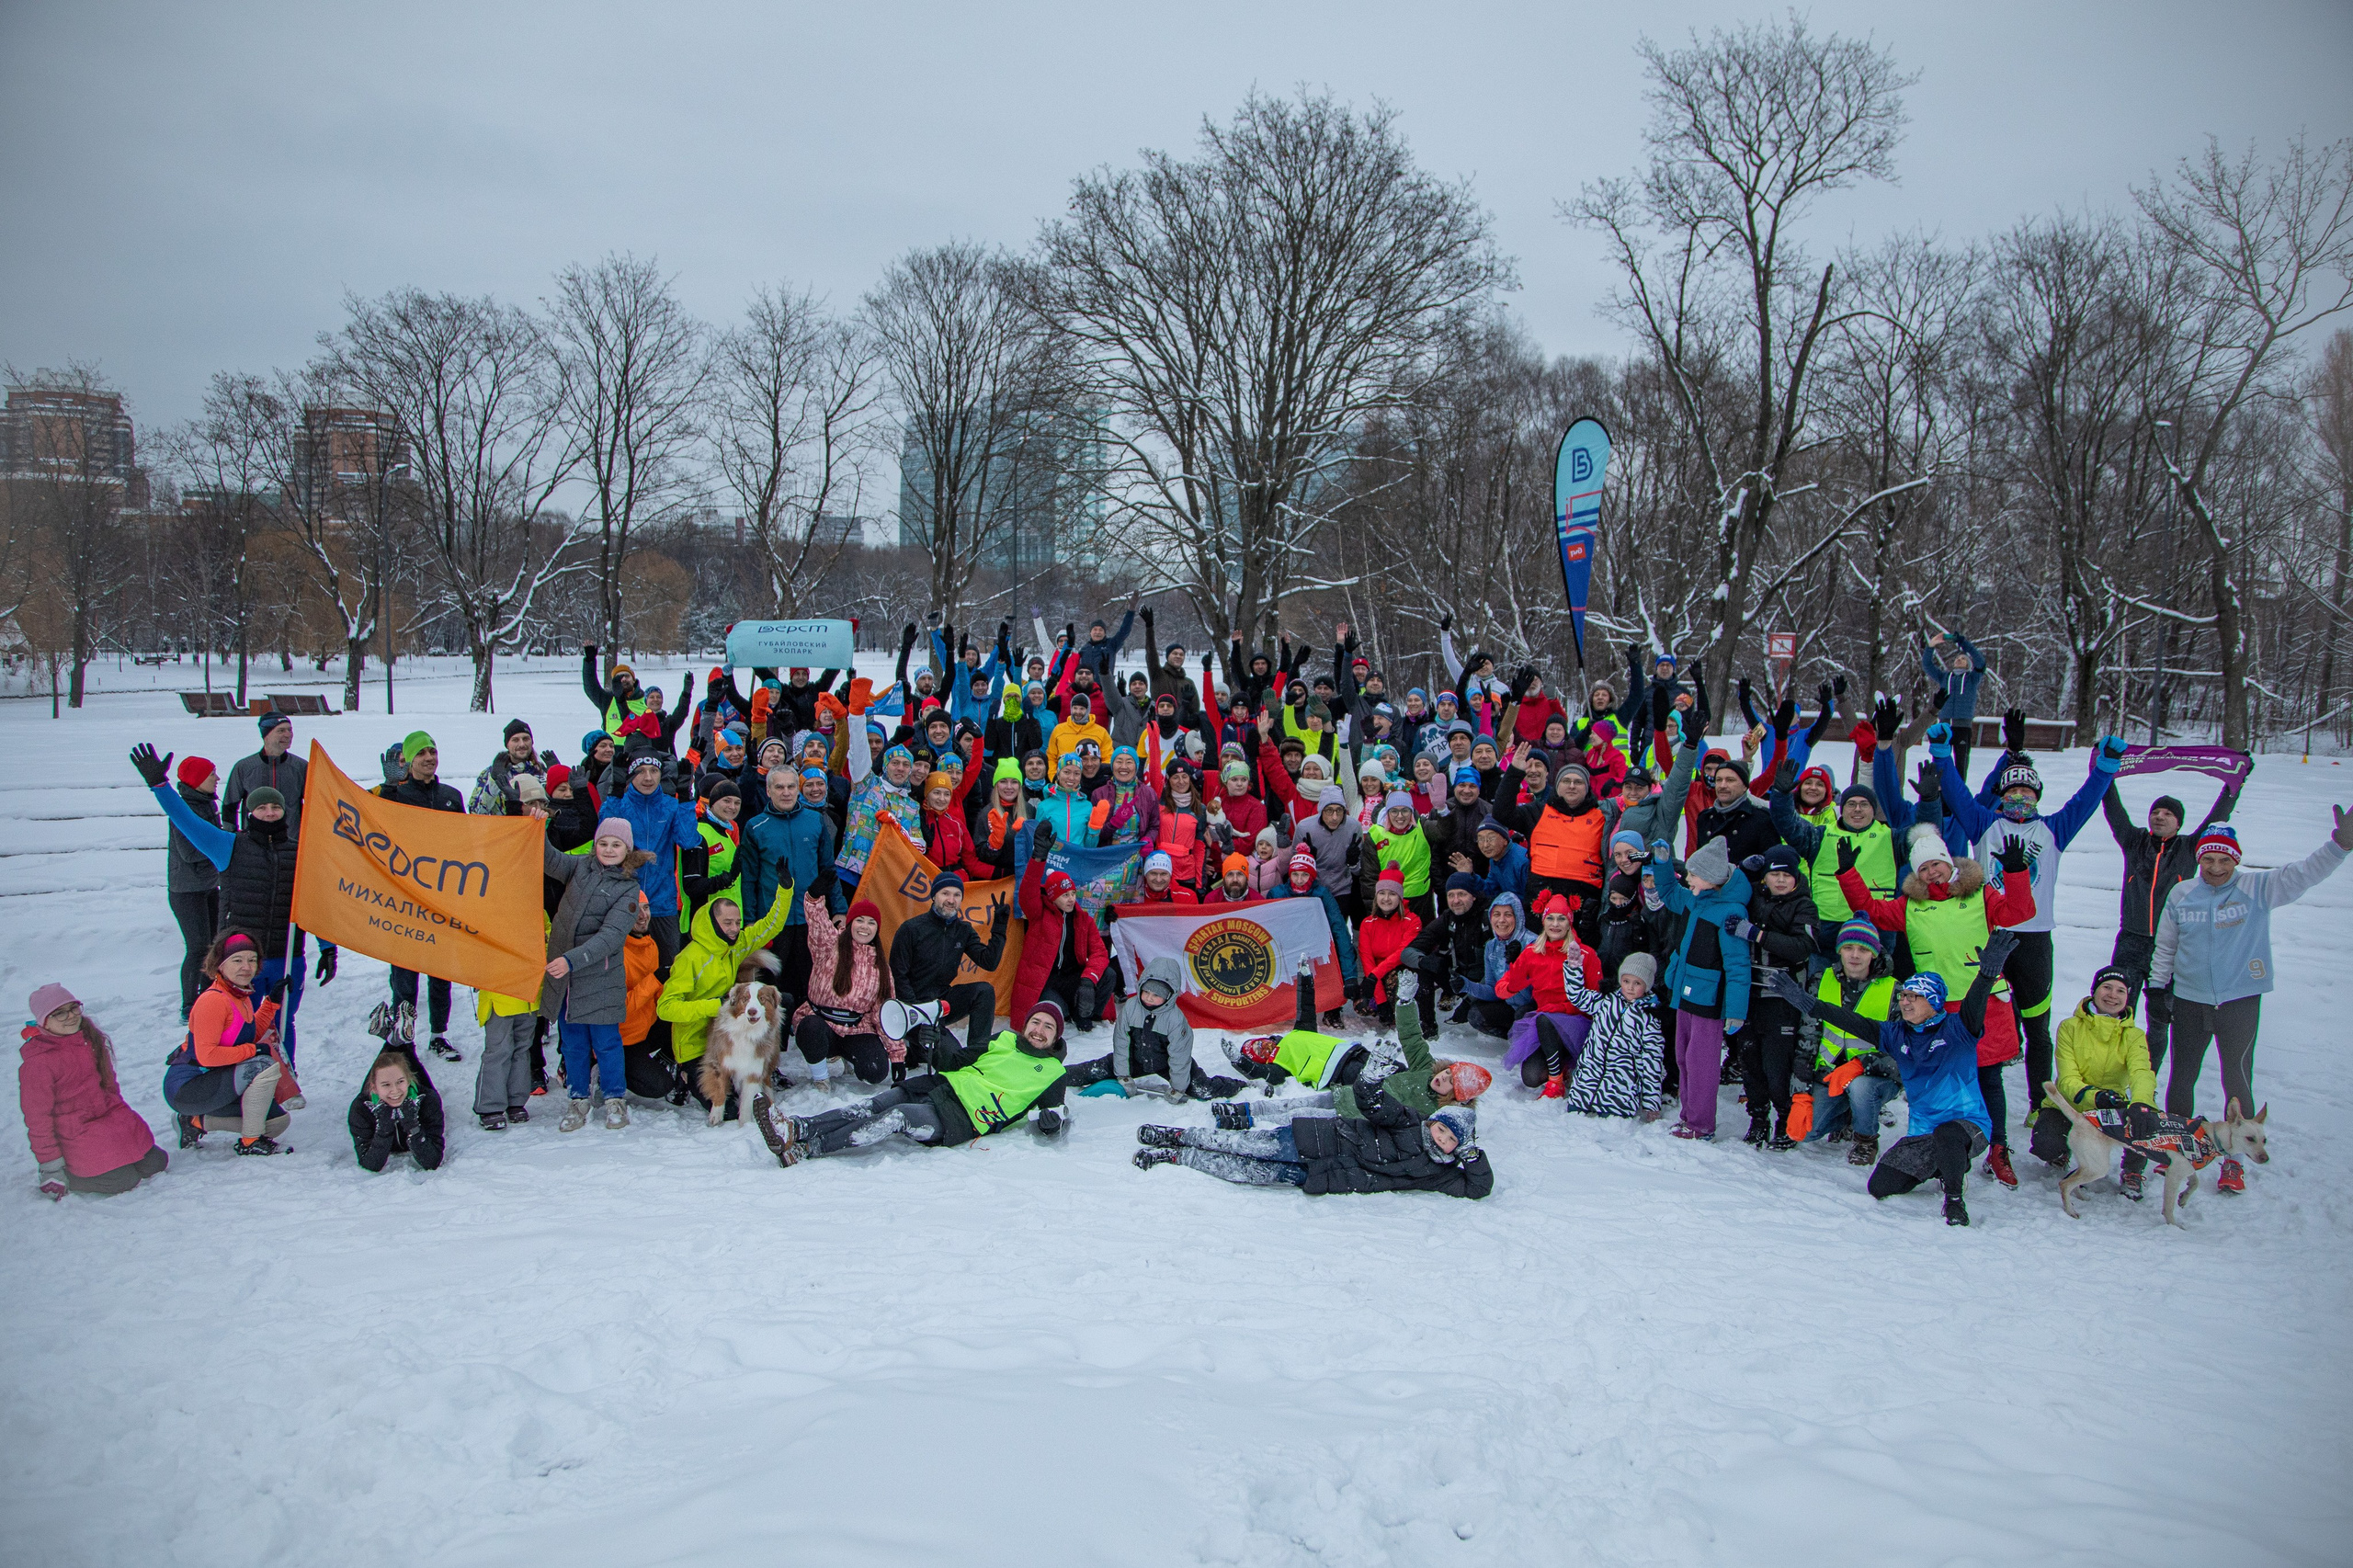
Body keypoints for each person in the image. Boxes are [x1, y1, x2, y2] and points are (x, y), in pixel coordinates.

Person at [1931, 723, 2120, 1131]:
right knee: (1978, 1022)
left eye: (2027, 792)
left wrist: (2104, 768)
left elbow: (2085, 801)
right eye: (2012, 791)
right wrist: (1943, 755)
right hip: (1990, 937)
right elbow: (1958, 796)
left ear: (2038, 796)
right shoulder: (1984, 823)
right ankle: (1972, 1098)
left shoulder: (2054, 828)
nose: (2019, 798)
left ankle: (2039, 1103)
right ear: (2002, 795)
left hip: (2034, 941)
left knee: (2038, 1028)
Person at [2151, 812, 2351, 1189]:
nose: (2216, 867)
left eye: (2224, 860)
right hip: (2190, 999)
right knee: (2182, 1074)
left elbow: (2304, 873)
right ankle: (2178, 1152)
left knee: (2237, 1077)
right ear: (2199, 859)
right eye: (2208, 859)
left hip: (2239, 1000)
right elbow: (2166, 946)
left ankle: (2234, 1162)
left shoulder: (2258, 888)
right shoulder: (2182, 894)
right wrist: (2157, 989)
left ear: (2236, 859)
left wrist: (2339, 846)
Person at [1764, 930, 2018, 1227]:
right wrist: (1806, 1002)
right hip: (1925, 1131)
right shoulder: (1895, 1034)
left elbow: (1975, 1004)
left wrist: (1986, 976)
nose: (1905, 1002)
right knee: (1880, 1186)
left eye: (1914, 997)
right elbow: (1848, 1020)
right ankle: (1946, 1164)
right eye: (1904, 996)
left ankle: (1954, 1199)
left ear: (1934, 1002)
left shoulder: (1958, 1029)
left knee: (1948, 1135)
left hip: (1969, 1126)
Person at [1836, 824, 2037, 1187]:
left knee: (1988, 1078)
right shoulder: (1910, 906)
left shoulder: (1981, 894)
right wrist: (1849, 874)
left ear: (1950, 863)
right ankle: (1942, 1150)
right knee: (1939, 1082)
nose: (1931, 872)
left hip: (1984, 1003)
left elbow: (2019, 912)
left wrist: (2016, 872)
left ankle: (1998, 1148)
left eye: (1936, 865)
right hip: (1936, 1011)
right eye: (1923, 868)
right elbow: (1871, 911)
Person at [133, 745, 328, 1070]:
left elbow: (316, 903)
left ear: (285, 812)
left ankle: (284, 1078)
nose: (269, 813)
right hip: (240, 957)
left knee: (284, 1022)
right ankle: (237, 1082)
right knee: (238, 1026)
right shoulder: (229, 845)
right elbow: (186, 821)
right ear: (250, 812)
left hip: (286, 955)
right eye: (261, 807)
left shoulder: (300, 851)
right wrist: (160, 786)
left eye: (275, 807)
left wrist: (327, 947)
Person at [757, 997, 1076, 1165]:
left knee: (897, 1117)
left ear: (1056, 1036)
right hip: (941, 1087)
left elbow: (1055, 1118)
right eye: (1035, 1022)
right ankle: (797, 1128)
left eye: (1048, 1027)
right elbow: (957, 1062)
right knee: (874, 1104)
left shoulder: (1053, 1073)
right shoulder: (1004, 1039)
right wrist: (933, 1044)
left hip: (964, 1117)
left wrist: (1051, 1124)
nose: (1039, 1030)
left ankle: (809, 1149)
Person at [2101, 769, 2241, 1077]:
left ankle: (2146, 1080)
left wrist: (2234, 786)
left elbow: (2218, 817)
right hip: (2131, 942)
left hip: (2169, 945)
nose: (2159, 816)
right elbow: (2114, 810)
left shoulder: (2189, 848)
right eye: (2156, 812)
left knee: (2159, 1019)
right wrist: (2104, 772)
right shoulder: (2134, 841)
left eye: (2168, 813)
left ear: (2179, 823)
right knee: (2117, 1011)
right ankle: (2110, 1075)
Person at [543, 816, 655, 1131]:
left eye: (616, 844)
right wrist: (536, 828)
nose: (608, 849)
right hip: (567, 977)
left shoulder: (629, 889)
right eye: (603, 843)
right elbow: (550, 860)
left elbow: (610, 937)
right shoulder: (580, 866)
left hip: (600, 977)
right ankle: (578, 1098)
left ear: (627, 850)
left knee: (606, 1042)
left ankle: (615, 1098)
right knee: (573, 1043)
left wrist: (570, 960)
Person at [654, 877, 796, 1117]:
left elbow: (770, 926)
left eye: (737, 923)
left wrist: (785, 889)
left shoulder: (734, 945)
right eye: (727, 922)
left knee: (786, 1002)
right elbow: (665, 1008)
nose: (734, 928)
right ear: (713, 922)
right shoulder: (690, 958)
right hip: (696, 1045)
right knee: (729, 1111)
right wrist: (714, 1007)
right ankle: (684, 1072)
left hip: (729, 1035)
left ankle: (764, 1069)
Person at [1648, 836, 1752, 1142]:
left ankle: (1701, 1124)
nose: (1688, 878)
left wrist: (1736, 1010)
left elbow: (1738, 965)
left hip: (1709, 999)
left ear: (1712, 878)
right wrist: (1662, 863)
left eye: (1693, 874)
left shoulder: (1731, 912)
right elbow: (1669, 892)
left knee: (1701, 1063)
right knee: (1683, 1057)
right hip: (1684, 990)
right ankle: (1688, 1116)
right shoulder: (1696, 899)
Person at [19, 983, 165, 1199]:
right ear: (43, 1021)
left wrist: (123, 1119)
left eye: (73, 1008)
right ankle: (71, 1174)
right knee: (123, 1180)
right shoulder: (39, 1063)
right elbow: (37, 1118)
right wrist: (51, 1166)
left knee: (157, 1163)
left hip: (106, 1119)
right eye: (59, 1013)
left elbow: (110, 1087)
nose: (70, 1016)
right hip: (74, 1131)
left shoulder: (89, 1041)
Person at [2027, 966, 2160, 1199]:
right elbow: (2067, 1078)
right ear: (2094, 991)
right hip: (2072, 1103)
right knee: (2045, 1145)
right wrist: (2094, 1096)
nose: (2113, 995)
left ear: (2127, 998)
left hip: (2111, 1106)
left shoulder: (2134, 1035)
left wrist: (2141, 1102)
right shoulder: (2070, 1027)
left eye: (2120, 991)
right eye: (2107, 987)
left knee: (2144, 1119)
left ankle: (2133, 1171)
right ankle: (2064, 1151)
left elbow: (2142, 1073)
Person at [374, 732, 466, 1060]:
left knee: (441, 973)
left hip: (442, 897)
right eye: (422, 753)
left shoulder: (451, 796)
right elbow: (377, 823)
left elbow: (466, 843)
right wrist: (389, 787)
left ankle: (438, 1035)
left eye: (433, 751)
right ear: (409, 760)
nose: (429, 757)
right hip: (405, 900)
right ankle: (404, 1036)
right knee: (405, 975)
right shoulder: (396, 795)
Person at [162, 932, 293, 1155]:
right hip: (188, 1086)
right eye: (237, 960)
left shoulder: (240, 996)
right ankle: (250, 1142)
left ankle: (193, 1122)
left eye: (252, 960)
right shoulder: (213, 1000)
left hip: (219, 1079)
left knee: (277, 1123)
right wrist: (253, 1050)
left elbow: (248, 1036)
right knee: (262, 1064)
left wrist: (271, 1003)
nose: (246, 967)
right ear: (220, 965)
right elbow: (207, 1056)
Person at [1724, 843, 1820, 1149]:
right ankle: (1758, 1119)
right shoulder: (1754, 895)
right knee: (1749, 1061)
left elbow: (1802, 947)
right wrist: (1743, 869)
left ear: (1796, 878)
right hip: (1749, 993)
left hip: (1782, 996)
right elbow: (1727, 888)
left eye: (1786, 875)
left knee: (1777, 1065)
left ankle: (1784, 1119)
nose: (1780, 880)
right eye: (1774, 874)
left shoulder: (1804, 906)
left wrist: (1757, 934)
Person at [888, 870, 1011, 1066]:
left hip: (941, 1002)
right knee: (954, 1061)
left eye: (957, 895)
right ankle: (917, 1045)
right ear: (934, 896)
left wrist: (1000, 927)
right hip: (913, 1009)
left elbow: (989, 962)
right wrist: (918, 1016)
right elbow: (897, 976)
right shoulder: (911, 929)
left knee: (984, 991)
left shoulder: (963, 930)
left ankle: (978, 1054)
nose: (951, 900)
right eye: (945, 893)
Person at [1803, 920, 1901, 1165]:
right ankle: (1849, 1117)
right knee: (1806, 1132)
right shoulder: (1820, 980)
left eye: (1863, 949)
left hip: (1875, 1076)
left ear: (1874, 953)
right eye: (1848, 948)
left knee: (1861, 1088)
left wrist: (1861, 1065)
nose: (1855, 955)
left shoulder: (1895, 990)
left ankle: (1865, 1139)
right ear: (1839, 950)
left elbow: (1903, 1050)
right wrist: (1799, 1092)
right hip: (1829, 1073)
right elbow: (1807, 1036)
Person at [602, 752, 703, 973]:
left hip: (661, 903)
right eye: (640, 771)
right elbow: (604, 834)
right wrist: (615, 790)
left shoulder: (670, 805)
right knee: (625, 971)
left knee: (668, 969)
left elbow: (688, 840)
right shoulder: (621, 805)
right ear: (630, 775)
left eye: (654, 771)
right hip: (624, 901)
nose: (648, 777)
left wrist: (685, 797)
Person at [1011, 825, 1110, 1028]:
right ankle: (1072, 1009)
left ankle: (1085, 1014)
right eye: (1065, 895)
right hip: (1046, 980)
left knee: (1108, 975)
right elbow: (1027, 891)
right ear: (1052, 898)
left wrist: (1088, 979)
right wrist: (1038, 857)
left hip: (1073, 978)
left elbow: (1100, 953)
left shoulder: (1083, 920)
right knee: (1057, 1014)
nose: (1071, 899)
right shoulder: (1039, 914)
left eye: (1073, 894)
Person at [792, 898, 892, 1085]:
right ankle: (821, 1078)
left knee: (875, 1072)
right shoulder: (830, 945)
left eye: (871, 922)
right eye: (860, 920)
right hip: (822, 1024)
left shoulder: (881, 966)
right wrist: (814, 899)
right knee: (810, 1028)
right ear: (850, 923)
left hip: (855, 1029)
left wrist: (897, 1055)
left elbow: (884, 1013)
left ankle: (848, 1057)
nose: (865, 927)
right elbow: (818, 922)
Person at [1560, 951, 1667, 1119]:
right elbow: (1577, 996)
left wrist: (1651, 1103)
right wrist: (1574, 969)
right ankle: (1583, 1099)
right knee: (1575, 1113)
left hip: (1619, 1087)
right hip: (1588, 1079)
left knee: (1611, 1119)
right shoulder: (1605, 1001)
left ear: (1647, 986)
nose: (1630, 987)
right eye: (1626, 981)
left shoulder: (1649, 1018)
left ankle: (1614, 1106)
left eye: (1637, 983)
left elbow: (1652, 1062)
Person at [161, 753, 222, 1017]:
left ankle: (209, 997)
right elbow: (191, 853)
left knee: (214, 944)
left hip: (209, 885)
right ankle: (189, 1004)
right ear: (197, 780)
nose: (217, 778)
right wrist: (224, 845)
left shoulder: (207, 804)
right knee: (198, 947)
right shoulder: (183, 810)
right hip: (186, 891)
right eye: (211, 774)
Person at [348, 1048, 445, 1173]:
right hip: (376, 1094)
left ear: (408, 1081)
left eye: (400, 1082)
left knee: (404, 1055)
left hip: (416, 1089)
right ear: (374, 1087)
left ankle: (402, 1044)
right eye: (386, 1084)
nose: (394, 1090)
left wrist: (412, 1126)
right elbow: (370, 1164)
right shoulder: (361, 1108)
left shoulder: (428, 1100)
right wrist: (384, 1127)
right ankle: (394, 1042)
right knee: (392, 1053)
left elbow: (432, 1161)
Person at [222, 709, 307, 835]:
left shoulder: (301, 767)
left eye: (290, 730)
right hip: (254, 840)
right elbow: (230, 805)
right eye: (281, 730)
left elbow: (316, 804)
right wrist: (232, 835)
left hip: (291, 839)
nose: (288, 735)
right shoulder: (244, 767)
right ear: (266, 735)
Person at [1459, 892, 1530, 1039]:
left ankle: (1529, 1042)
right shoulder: (1492, 946)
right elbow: (1493, 990)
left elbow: (1532, 994)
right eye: (1496, 914)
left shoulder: (1532, 943)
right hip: (1510, 1005)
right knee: (1476, 1015)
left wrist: (1516, 963)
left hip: (1533, 1008)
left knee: (1522, 1014)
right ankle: (1514, 1038)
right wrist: (1466, 985)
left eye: (1508, 914)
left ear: (1518, 917)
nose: (1501, 920)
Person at [1920, 627, 1985, 778]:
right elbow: (1927, 665)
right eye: (1957, 658)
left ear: (1968, 664)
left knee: (1961, 763)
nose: (1959, 659)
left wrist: (1963, 643)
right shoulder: (1944, 677)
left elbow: (1981, 662)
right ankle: (1940, 788)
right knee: (1940, 762)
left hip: (1963, 727)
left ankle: (1959, 789)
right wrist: (1931, 646)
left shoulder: (1972, 678)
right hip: (1944, 726)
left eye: (1963, 658)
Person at [468, 719, 548, 816]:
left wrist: (558, 775)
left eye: (526, 739)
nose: (522, 744)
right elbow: (475, 813)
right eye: (515, 740)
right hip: (504, 825)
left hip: (537, 825)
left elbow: (556, 807)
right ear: (507, 745)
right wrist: (493, 784)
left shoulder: (541, 771)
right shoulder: (490, 773)